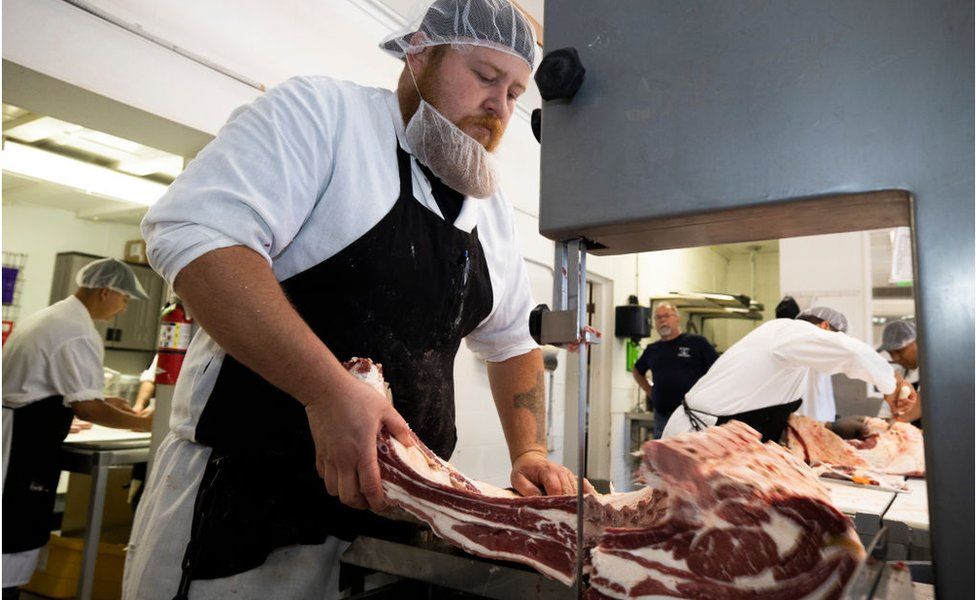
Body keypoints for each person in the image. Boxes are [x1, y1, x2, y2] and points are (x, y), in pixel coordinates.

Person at [122, 3, 585, 599]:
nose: (500, 106)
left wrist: (530, 450)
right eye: (485, 76)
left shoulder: (488, 207)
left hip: (391, 521)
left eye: (516, 92)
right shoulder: (323, 116)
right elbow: (199, 237)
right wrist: (326, 392)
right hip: (248, 506)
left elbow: (511, 340)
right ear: (421, 54)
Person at [2, 258, 153, 598]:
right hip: (21, 449)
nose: (124, 308)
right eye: (125, 299)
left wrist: (105, 402)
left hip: (16, 435)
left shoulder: (54, 316)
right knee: (12, 536)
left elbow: (68, 393)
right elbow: (87, 406)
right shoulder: (77, 331)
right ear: (105, 291)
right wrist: (141, 422)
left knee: (11, 534)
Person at [662, 306, 917, 443]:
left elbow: (768, 414)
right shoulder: (787, 330)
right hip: (697, 439)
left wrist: (831, 428)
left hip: (725, 442)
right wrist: (892, 385)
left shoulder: (791, 361)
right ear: (824, 328)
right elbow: (848, 351)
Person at [631, 303, 718, 438]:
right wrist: (650, 391)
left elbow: (717, 369)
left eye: (666, 316)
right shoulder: (652, 349)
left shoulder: (697, 343)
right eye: (658, 318)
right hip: (663, 418)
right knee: (662, 457)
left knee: (692, 456)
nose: (662, 320)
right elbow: (637, 371)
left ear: (678, 319)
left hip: (693, 417)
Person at [877, 320, 922, 425]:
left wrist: (891, 425)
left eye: (899, 351)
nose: (895, 358)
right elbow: (885, 411)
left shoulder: (935, 371)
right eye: (890, 353)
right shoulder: (900, 373)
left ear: (918, 342)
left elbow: (921, 406)